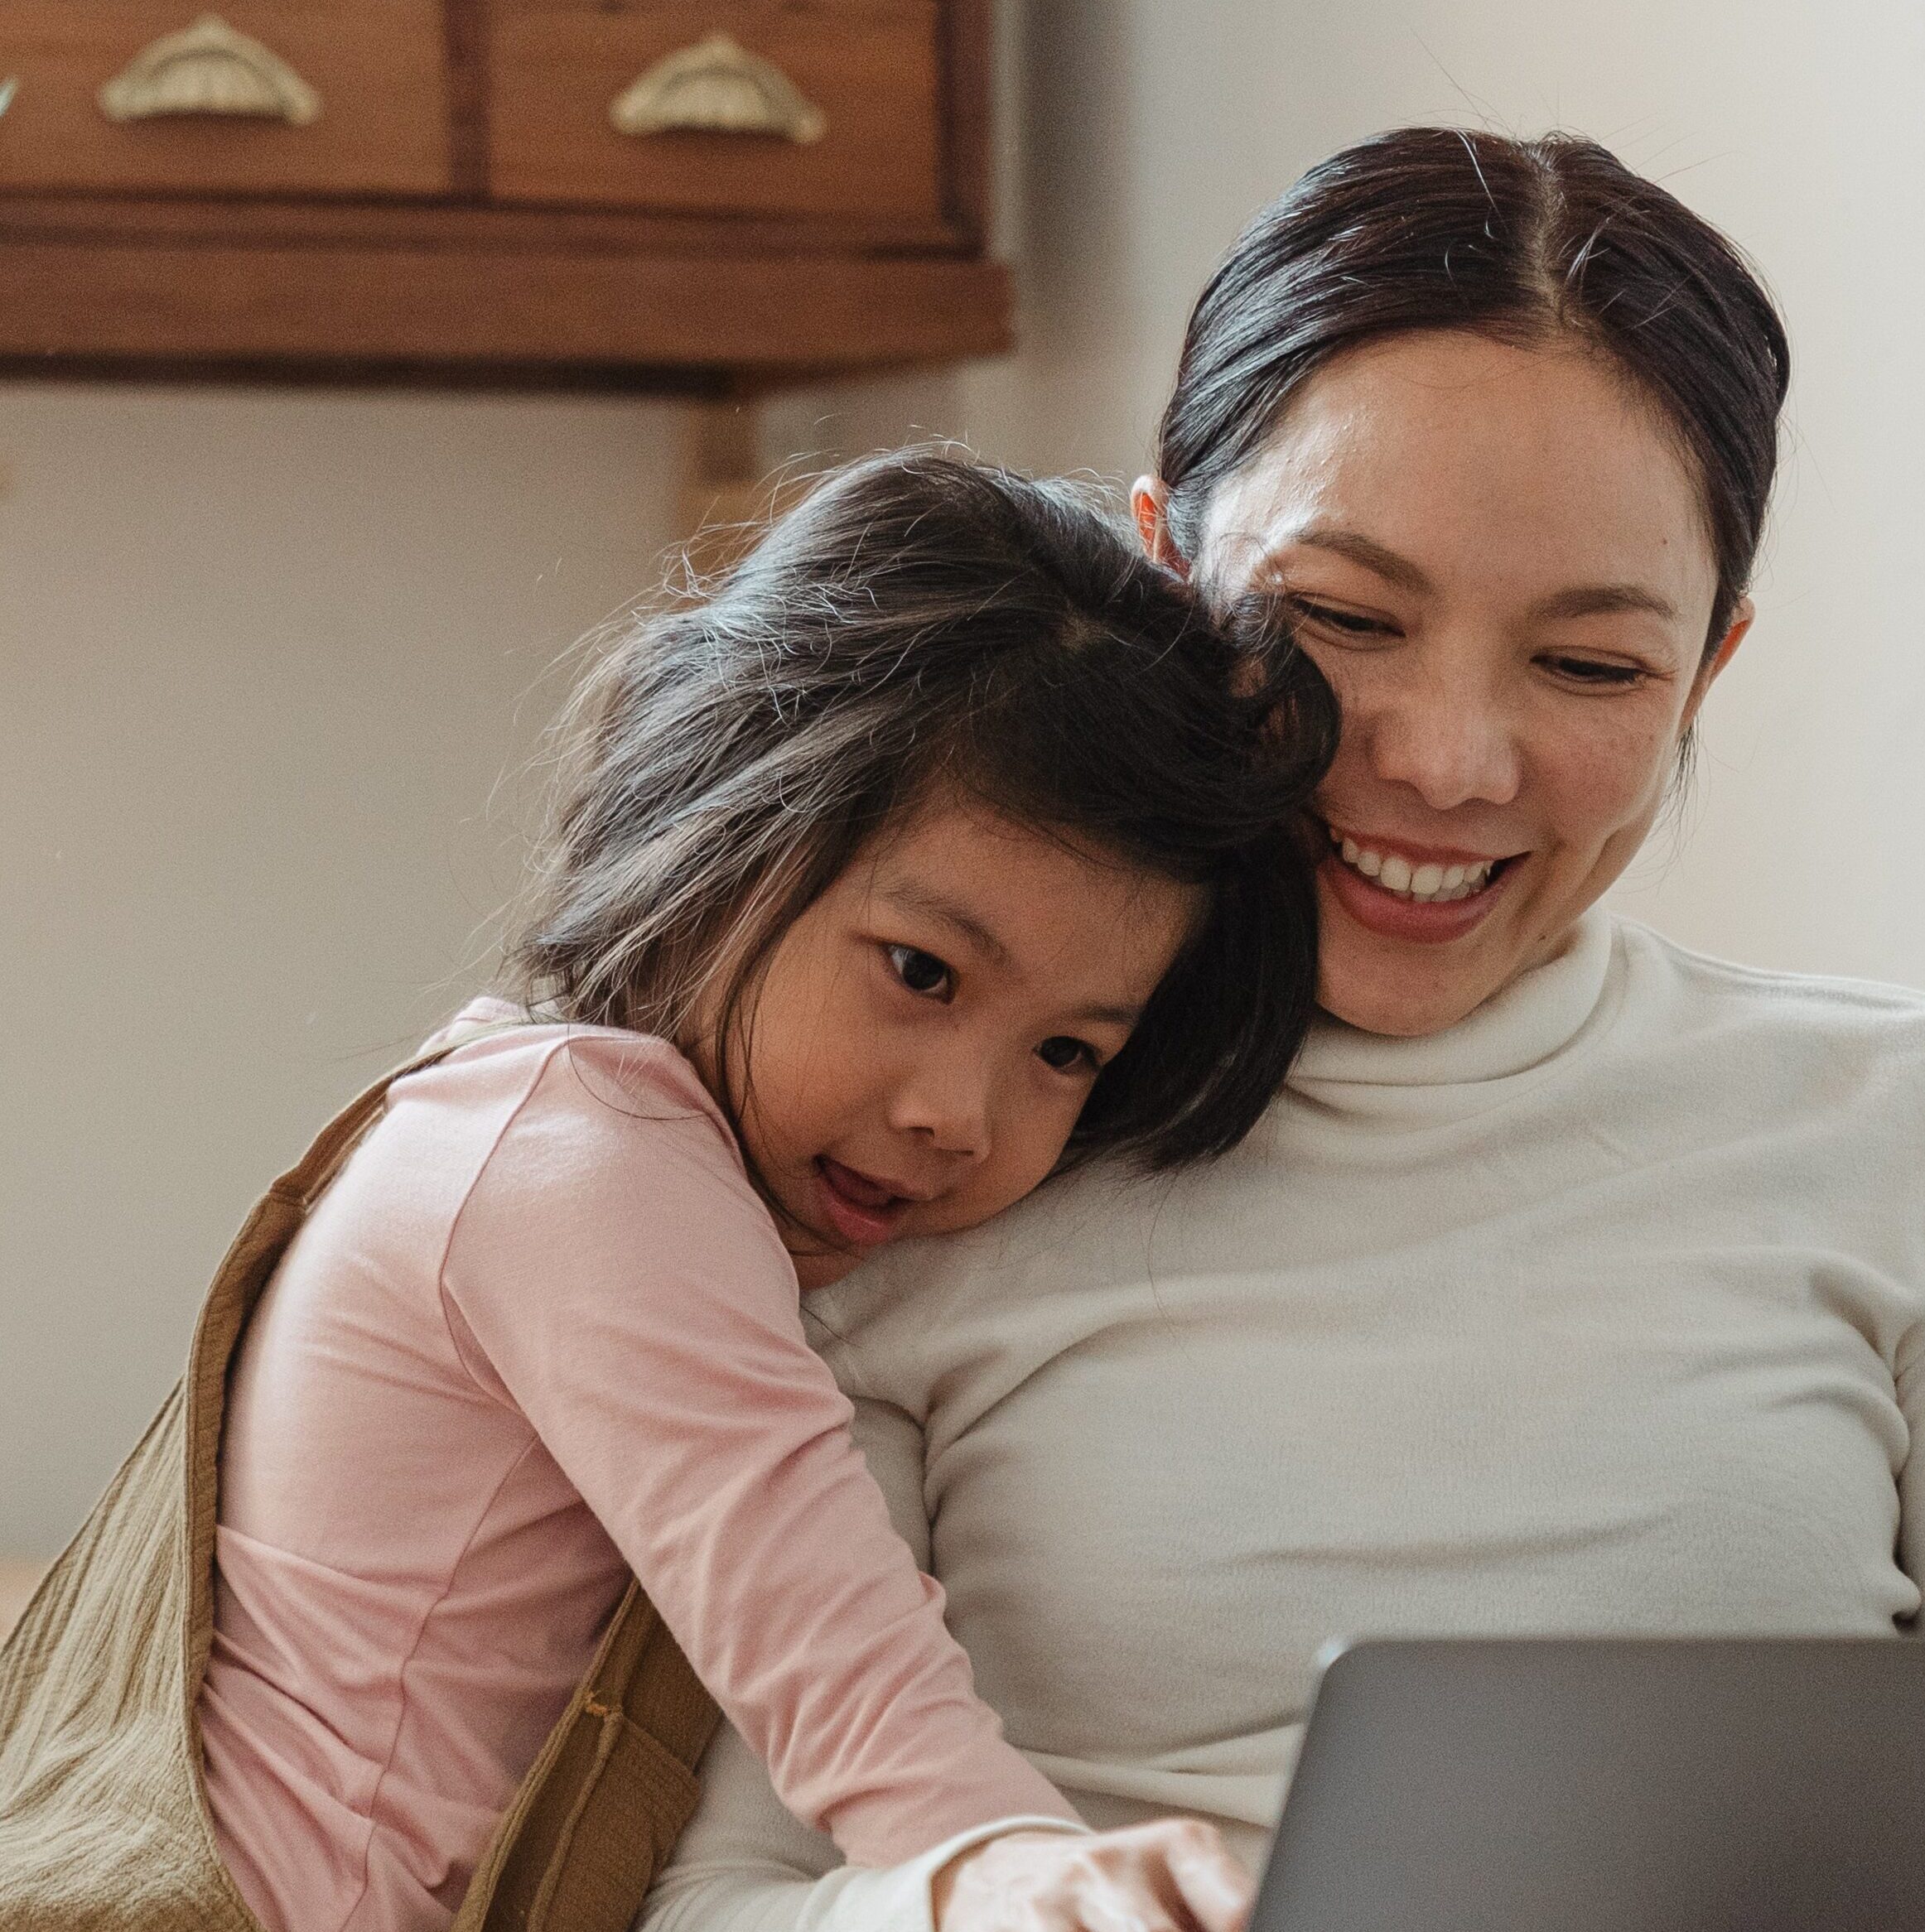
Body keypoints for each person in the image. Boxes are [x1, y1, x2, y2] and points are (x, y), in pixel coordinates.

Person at [634, 129, 1925, 1932]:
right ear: (1164, 572)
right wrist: (978, 1914)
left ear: (1708, 667)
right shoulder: (927, 1151)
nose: (1445, 760)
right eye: (1338, 620)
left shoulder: (1893, 1129)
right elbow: (714, 1905)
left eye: (1590, 666)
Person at [193, 453, 1339, 1932]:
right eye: (919, 970)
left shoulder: (519, 1113)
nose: (954, 1114)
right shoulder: (590, 1159)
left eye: (1065, 1050)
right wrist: (1030, 1870)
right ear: (729, 820)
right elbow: (828, 1650)